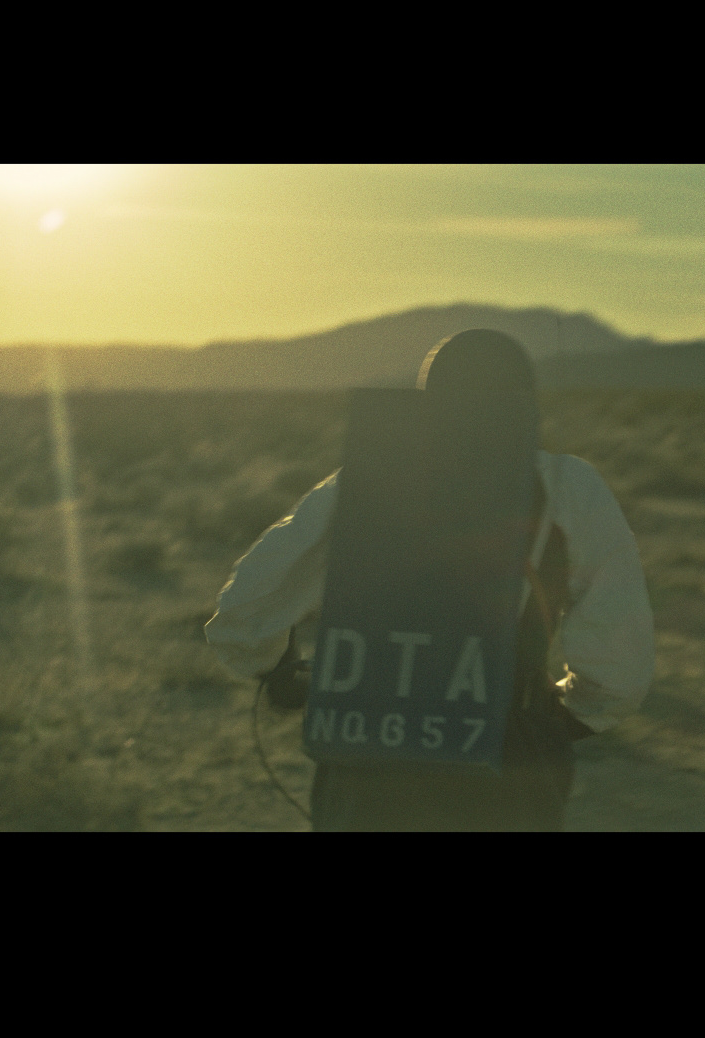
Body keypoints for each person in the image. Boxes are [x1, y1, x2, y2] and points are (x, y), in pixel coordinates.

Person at [205, 329, 655, 831]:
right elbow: (617, 669)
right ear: (525, 404)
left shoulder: (363, 482)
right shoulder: (567, 487)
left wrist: (286, 675)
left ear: (426, 404)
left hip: (367, 752)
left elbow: (243, 614)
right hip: (506, 766)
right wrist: (556, 716)